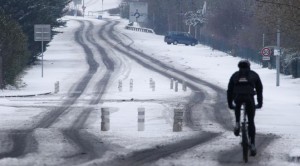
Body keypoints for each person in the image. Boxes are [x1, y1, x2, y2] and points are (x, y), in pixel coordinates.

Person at [227, 60, 263, 156]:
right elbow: (259, 89)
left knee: (238, 105)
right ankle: (252, 144)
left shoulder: (235, 75)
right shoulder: (254, 75)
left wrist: (230, 104)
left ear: (239, 67)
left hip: (238, 98)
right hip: (249, 99)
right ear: (249, 66)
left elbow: (229, 90)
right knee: (251, 121)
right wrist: (260, 103)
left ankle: (238, 123)